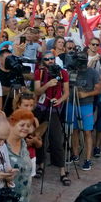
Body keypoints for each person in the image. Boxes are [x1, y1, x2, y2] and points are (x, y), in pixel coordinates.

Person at [32, 52, 70, 185]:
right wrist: (48, 84)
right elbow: (37, 91)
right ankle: (40, 166)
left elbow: (66, 93)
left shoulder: (63, 73)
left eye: (52, 58)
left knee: (56, 139)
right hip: (41, 108)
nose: (50, 61)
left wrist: (59, 101)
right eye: (47, 59)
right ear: (43, 61)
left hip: (54, 109)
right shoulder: (39, 72)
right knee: (39, 137)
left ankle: (62, 171)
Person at [1, 109, 35, 202]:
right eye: (22, 125)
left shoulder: (23, 143)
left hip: (21, 197)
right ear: (12, 123)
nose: (25, 128)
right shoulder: (2, 144)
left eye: (28, 125)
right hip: (5, 198)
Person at [66, 55, 101, 171]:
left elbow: (98, 90)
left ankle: (87, 159)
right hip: (72, 104)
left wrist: (85, 94)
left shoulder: (93, 73)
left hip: (86, 105)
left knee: (87, 132)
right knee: (74, 130)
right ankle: (75, 154)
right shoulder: (72, 71)